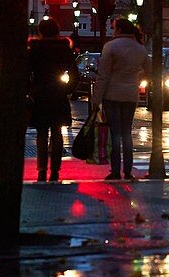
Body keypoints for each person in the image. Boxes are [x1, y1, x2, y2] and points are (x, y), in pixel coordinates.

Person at [90, 18, 151, 181]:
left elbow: (103, 76)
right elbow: (150, 69)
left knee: (115, 133)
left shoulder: (111, 47)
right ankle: (128, 170)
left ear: (118, 30)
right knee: (126, 133)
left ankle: (115, 170)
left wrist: (96, 99)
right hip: (131, 94)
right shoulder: (140, 49)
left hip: (112, 94)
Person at [27, 16, 79, 183]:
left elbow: (26, 72)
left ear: (40, 31)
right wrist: (67, 89)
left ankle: (42, 169)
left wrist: (30, 90)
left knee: (41, 133)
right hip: (58, 93)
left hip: (40, 94)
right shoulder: (64, 49)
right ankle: (55, 170)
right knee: (57, 133)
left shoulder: (34, 49)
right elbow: (74, 74)